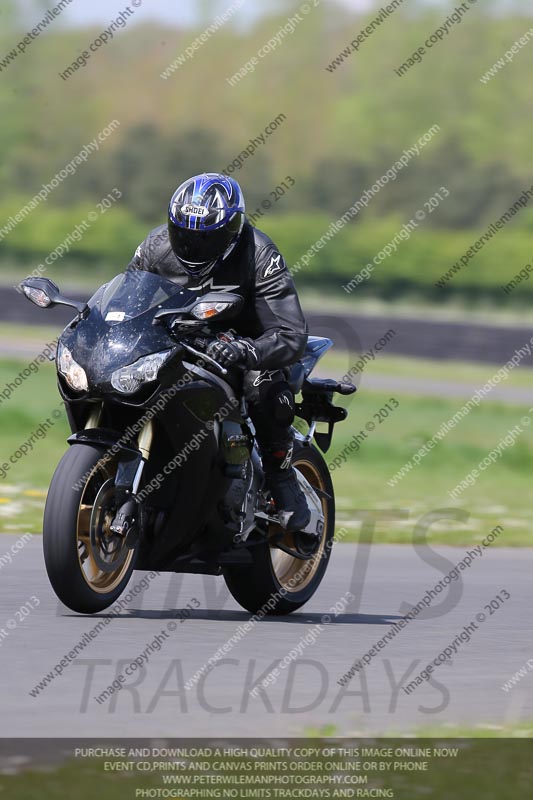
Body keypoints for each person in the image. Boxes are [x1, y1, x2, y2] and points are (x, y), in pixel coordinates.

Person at [128, 173, 311, 533]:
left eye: (206, 238)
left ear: (231, 232)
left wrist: (247, 350)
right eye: (185, 235)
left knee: (263, 387)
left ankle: (281, 477)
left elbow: (291, 334)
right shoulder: (155, 246)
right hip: (180, 338)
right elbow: (129, 300)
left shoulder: (259, 254)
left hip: (247, 345)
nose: (193, 246)